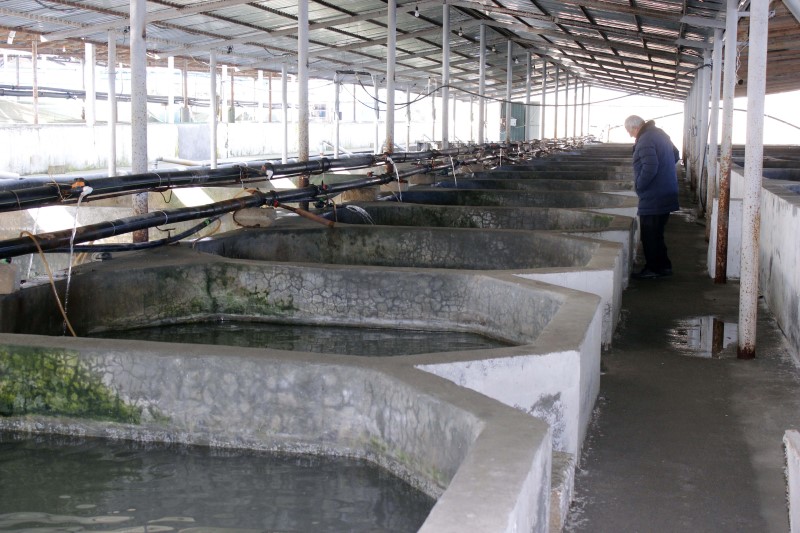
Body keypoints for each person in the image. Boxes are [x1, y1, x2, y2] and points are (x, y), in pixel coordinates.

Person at [624, 115, 680, 279]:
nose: (630, 135)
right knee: (657, 232)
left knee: (649, 234)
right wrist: (665, 172)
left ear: (635, 128)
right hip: (666, 190)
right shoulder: (659, 133)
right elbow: (676, 154)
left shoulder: (645, 140)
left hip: (654, 195)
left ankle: (654, 269)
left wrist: (639, 186)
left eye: (629, 131)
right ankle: (664, 267)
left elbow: (650, 167)